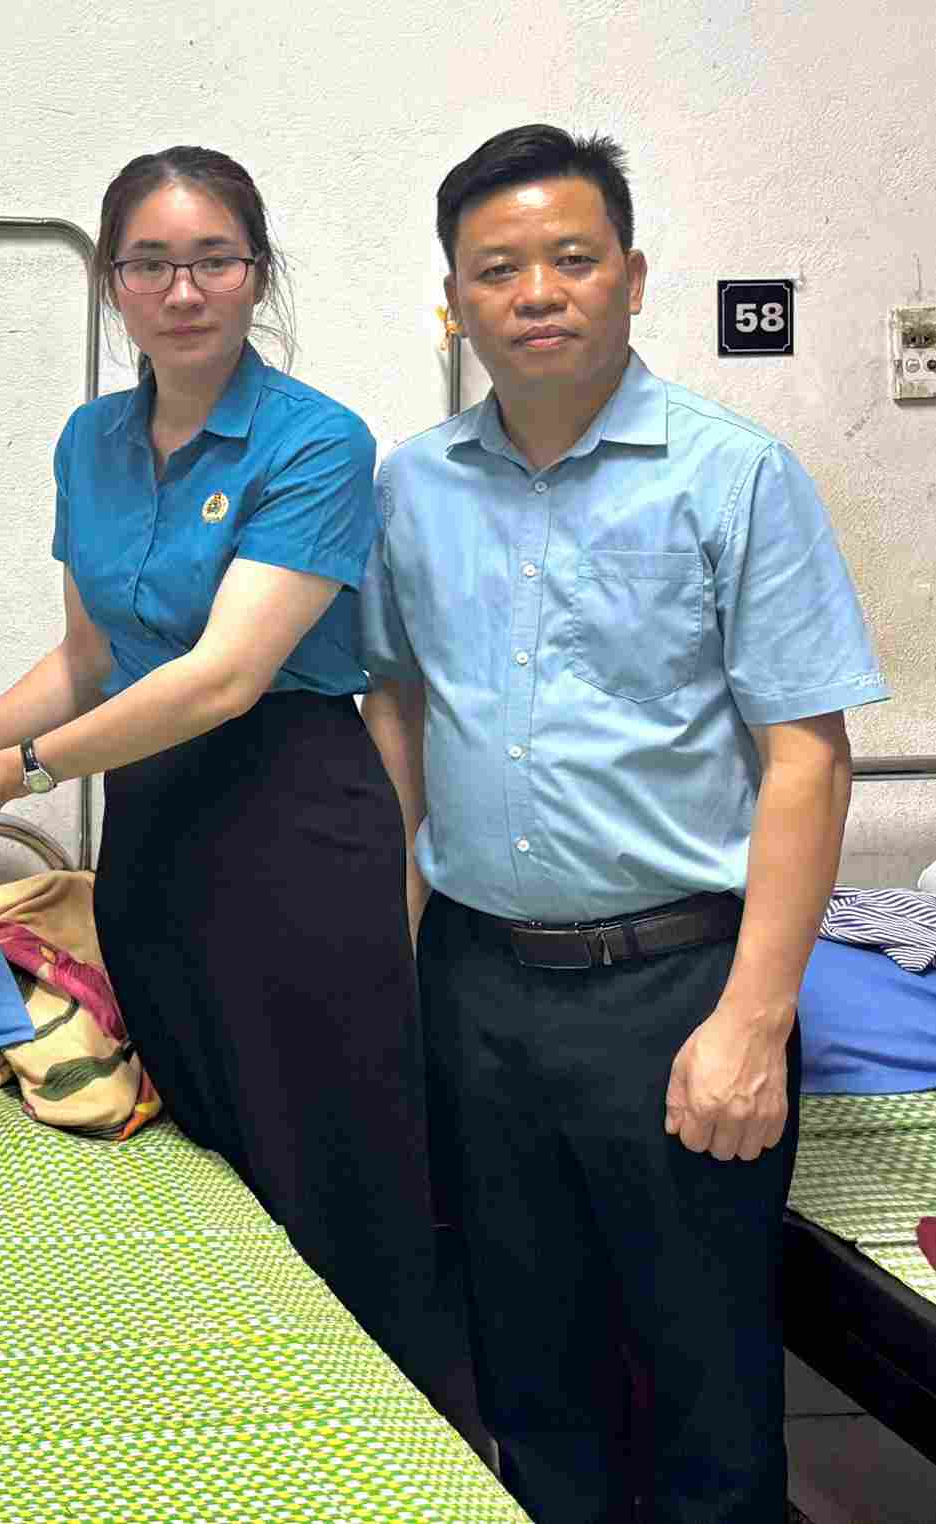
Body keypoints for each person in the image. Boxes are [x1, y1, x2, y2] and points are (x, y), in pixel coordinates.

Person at [0, 146, 441, 1391]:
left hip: (295, 820)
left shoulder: (316, 441)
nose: (184, 290)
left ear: (256, 272)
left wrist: (6, 777)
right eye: (152, 264)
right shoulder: (91, 442)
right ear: (114, 283)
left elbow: (225, 676)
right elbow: (91, 660)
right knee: (211, 1161)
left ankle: (409, 1437)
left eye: (213, 259)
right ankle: (252, 1418)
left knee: (336, 1165)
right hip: (157, 832)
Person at [357, 124, 888, 1522]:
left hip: (676, 987)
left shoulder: (732, 476)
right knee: (525, 1374)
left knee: (703, 1385)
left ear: (633, 277)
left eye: (571, 259)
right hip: (472, 982)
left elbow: (806, 762)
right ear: (454, 300)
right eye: (498, 269)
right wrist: (395, 964)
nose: (537, 292)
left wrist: (753, 1021)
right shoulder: (412, 486)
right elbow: (400, 718)